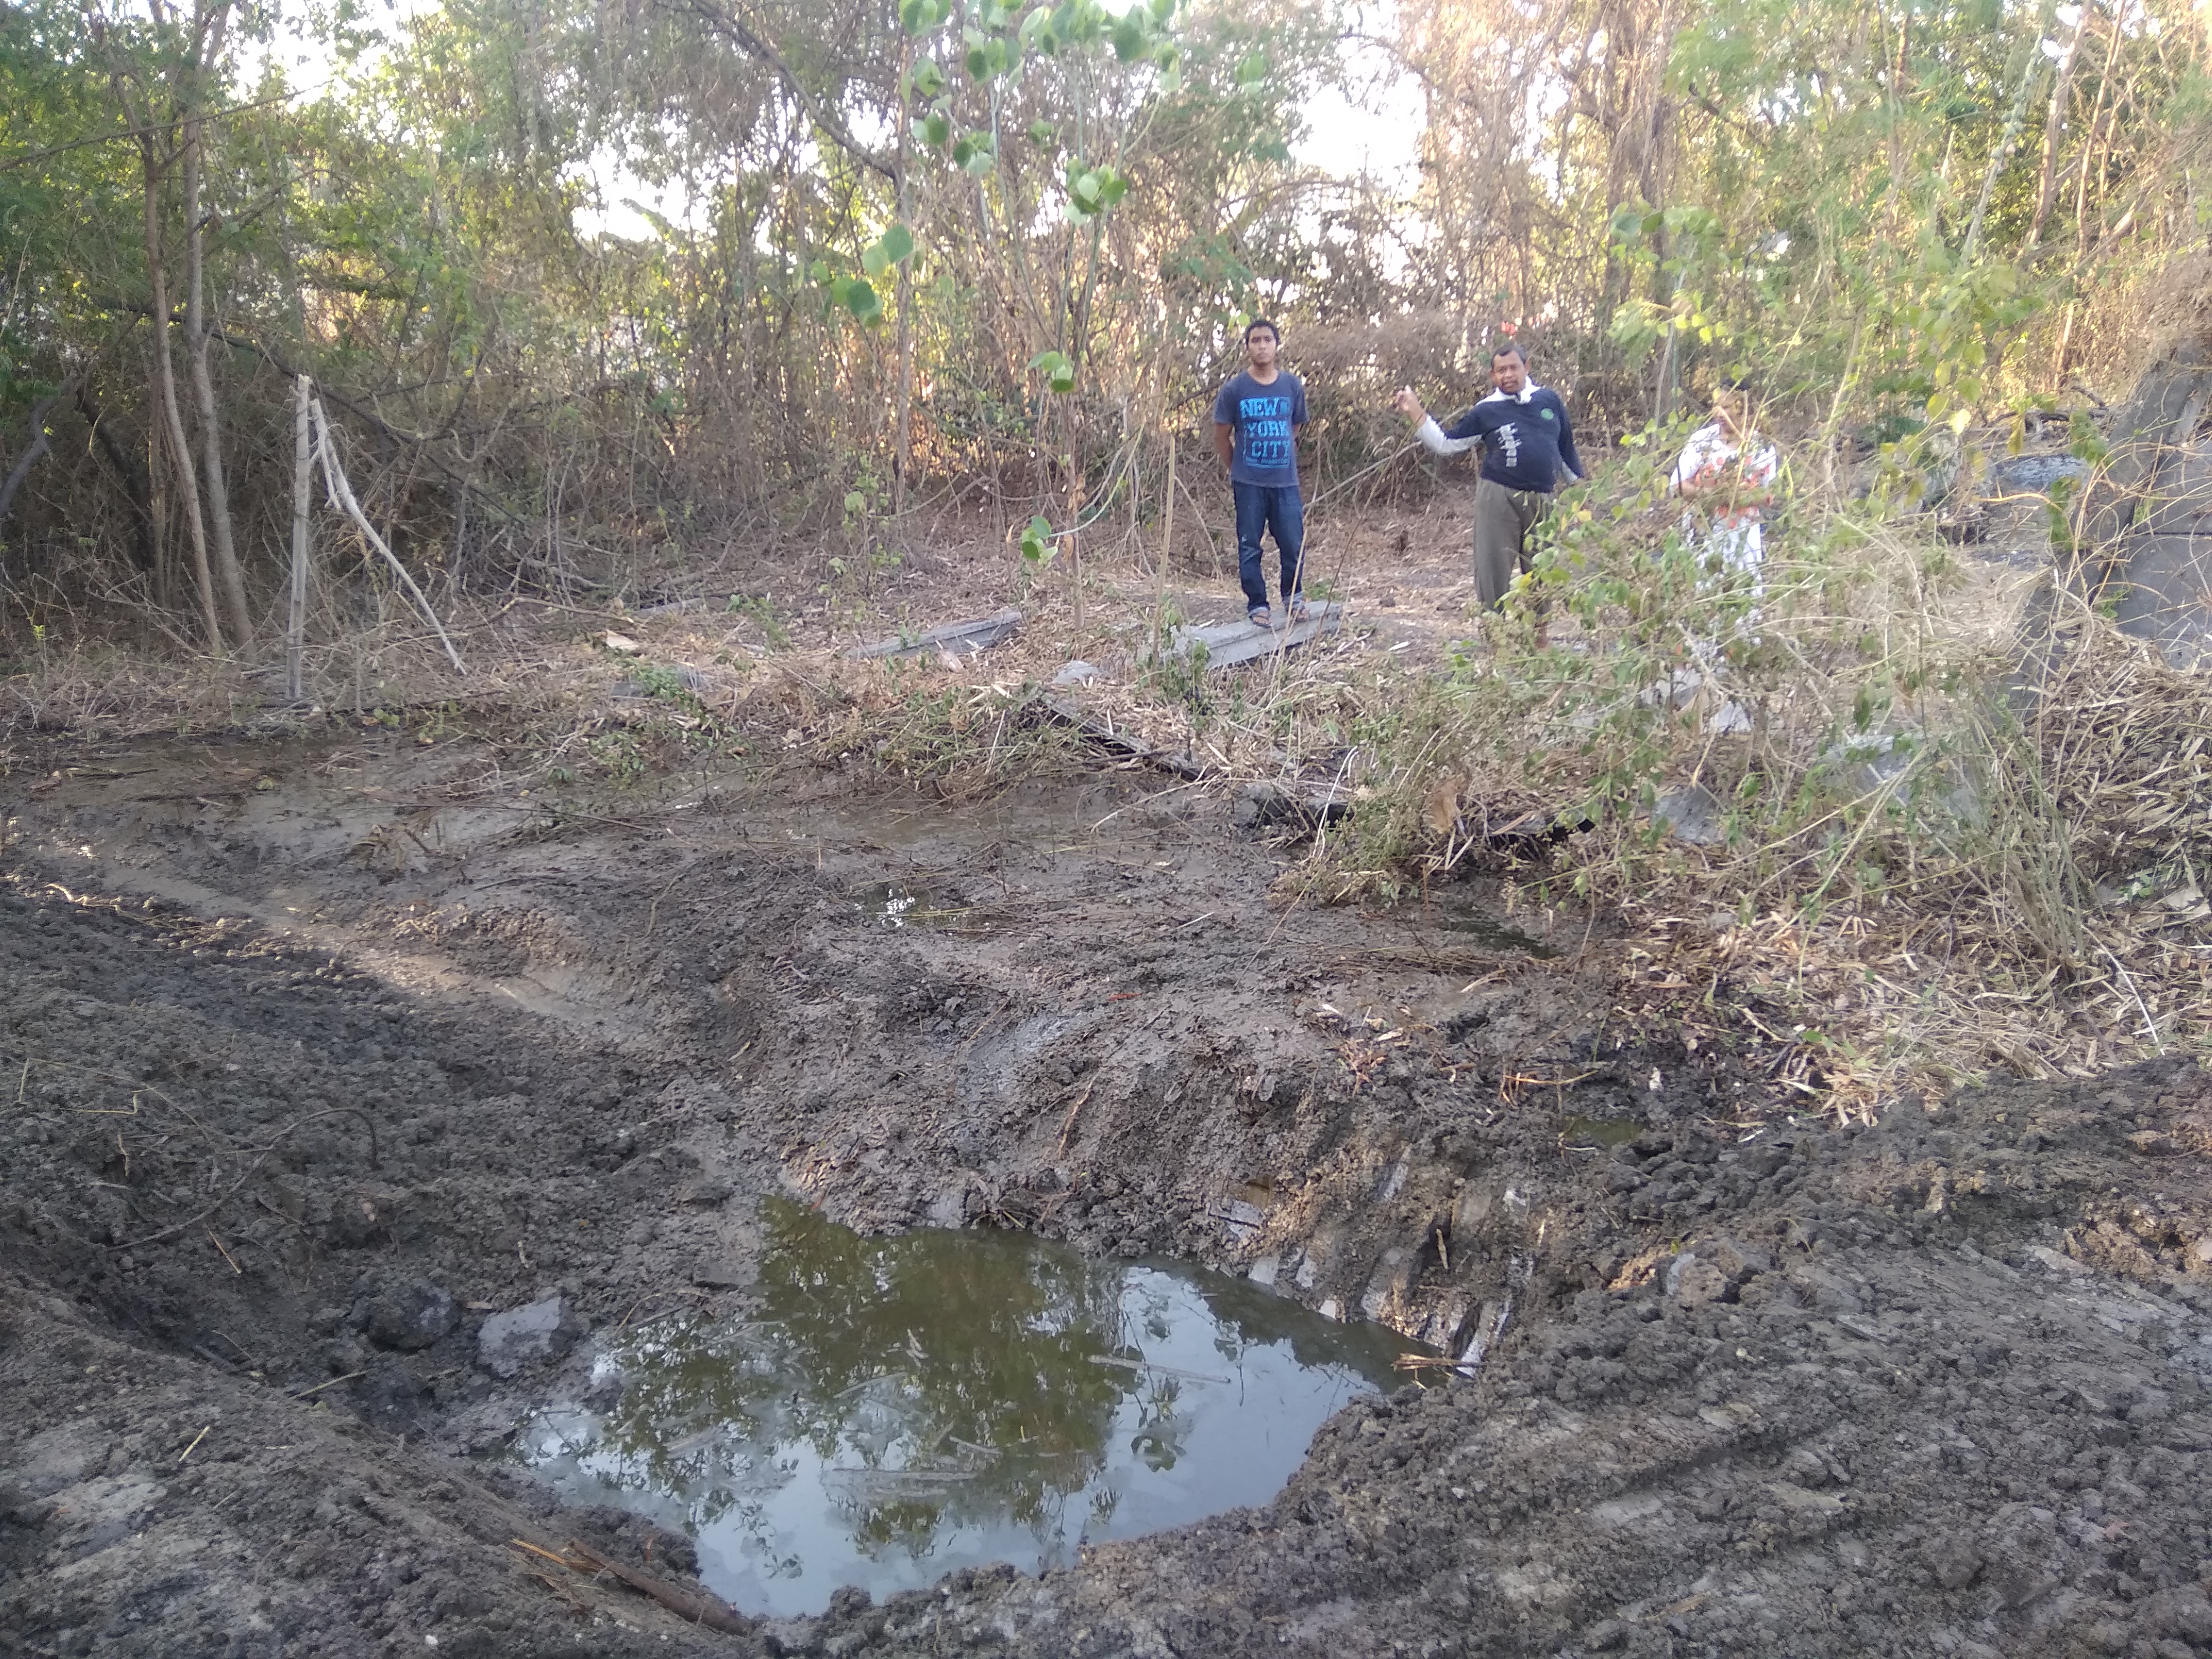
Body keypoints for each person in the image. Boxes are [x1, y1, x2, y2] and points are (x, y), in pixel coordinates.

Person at [1393, 342, 1585, 613]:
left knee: (1542, 566)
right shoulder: (1486, 411)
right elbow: (1447, 444)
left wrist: (1580, 488)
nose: (1508, 375)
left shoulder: (1549, 400)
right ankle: (1495, 634)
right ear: (1493, 376)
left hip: (1543, 497)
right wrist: (1415, 411)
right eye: (1501, 371)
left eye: (1513, 368)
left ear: (1526, 368)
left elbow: (1565, 448)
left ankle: (1539, 635)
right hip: (1499, 497)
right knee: (1493, 567)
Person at [1213, 318, 1310, 627]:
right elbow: (1221, 437)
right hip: (1249, 483)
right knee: (1250, 544)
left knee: (1293, 542)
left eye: (1268, 339)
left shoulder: (1292, 386)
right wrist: (1238, 469)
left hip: (1285, 482)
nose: (1263, 345)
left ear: (1277, 345)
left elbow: (1294, 427)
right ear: (1247, 348)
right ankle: (1257, 604)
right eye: (1256, 340)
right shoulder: (1235, 390)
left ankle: (1293, 598)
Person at [1671, 386, 1778, 586]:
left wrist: (1739, 497)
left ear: (1743, 407)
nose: (1719, 413)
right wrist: (1712, 495)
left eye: (1727, 407)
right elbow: (1677, 485)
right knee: (1702, 592)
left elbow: (1769, 493)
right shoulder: (1702, 441)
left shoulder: (1761, 446)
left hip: (1743, 539)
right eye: (1716, 406)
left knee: (1742, 593)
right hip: (1702, 535)